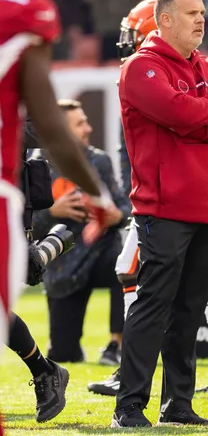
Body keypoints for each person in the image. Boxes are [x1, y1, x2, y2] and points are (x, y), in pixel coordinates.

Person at [88, 0, 208, 398]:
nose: (201, 20)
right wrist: (207, 111)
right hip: (163, 208)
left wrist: (194, 118)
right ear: (164, 20)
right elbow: (180, 112)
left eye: (202, 13)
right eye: (191, 14)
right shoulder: (140, 67)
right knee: (151, 306)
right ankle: (130, 404)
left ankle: (178, 402)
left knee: (189, 311)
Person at [0, 0, 115, 430]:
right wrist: (98, 194)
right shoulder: (19, 14)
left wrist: (95, 190)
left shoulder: (19, 15)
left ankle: (45, 370)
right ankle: (46, 370)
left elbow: (47, 126)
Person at [31, 100, 130, 364]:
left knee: (126, 266)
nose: (88, 128)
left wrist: (116, 216)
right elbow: (23, 224)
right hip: (62, 265)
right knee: (64, 354)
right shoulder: (36, 168)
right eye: (80, 124)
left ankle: (116, 345)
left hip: (101, 252)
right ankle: (66, 343)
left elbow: (124, 205)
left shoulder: (99, 161)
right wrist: (53, 212)